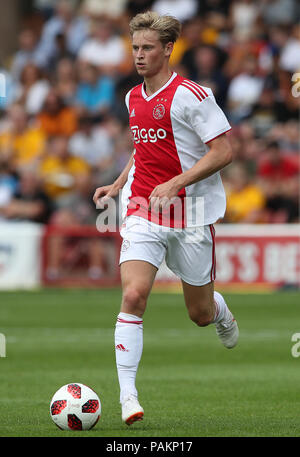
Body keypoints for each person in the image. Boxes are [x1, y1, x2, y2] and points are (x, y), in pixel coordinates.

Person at [93, 11, 239, 426]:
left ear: (168, 49)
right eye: (135, 48)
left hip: (191, 213)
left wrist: (177, 182)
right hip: (143, 207)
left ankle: (220, 310)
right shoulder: (131, 97)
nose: (138, 55)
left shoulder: (193, 95)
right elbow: (143, 150)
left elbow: (223, 152)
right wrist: (119, 183)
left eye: (147, 48)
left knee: (200, 314)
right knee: (134, 296)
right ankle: (128, 398)